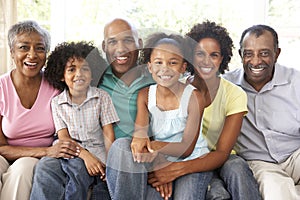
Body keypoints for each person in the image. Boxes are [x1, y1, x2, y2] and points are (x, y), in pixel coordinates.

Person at [146, 21, 261, 200]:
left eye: (214, 55)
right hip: (182, 156)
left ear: (222, 58)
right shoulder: (173, 86)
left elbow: (222, 153)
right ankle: (214, 187)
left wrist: (175, 170)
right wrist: (164, 164)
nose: (206, 61)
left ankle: (214, 185)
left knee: (237, 166)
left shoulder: (234, 94)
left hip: (220, 159)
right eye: (200, 54)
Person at [106, 32, 213, 200]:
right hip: (160, 155)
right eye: (158, 62)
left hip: (190, 160)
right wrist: (141, 141)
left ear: (183, 67)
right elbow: (140, 132)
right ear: (149, 67)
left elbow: (187, 148)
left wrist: (154, 147)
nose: (165, 68)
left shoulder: (194, 97)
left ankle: (214, 188)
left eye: (173, 62)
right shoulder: (145, 95)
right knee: (121, 145)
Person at [0, 20, 80, 200]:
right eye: (23, 47)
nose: (32, 55)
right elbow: (0, 147)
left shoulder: (57, 86)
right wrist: (45, 151)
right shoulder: (1, 88)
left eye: (40, 48)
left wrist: (48, 153)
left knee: (23, 169)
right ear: (12, 52)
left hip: (39, 159)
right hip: (10, 154)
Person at [30, 41, 119, 200]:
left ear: (93, 73)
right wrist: (84, 155)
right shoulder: (57, 103)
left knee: (102, 186)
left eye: (85, 69)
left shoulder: (102, 97)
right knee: (47, 166)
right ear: (62, 76)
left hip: (97, 151)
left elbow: (108, 134)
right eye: (72, 69)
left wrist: (111, 164)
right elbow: (63, 138)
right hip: (70, 151)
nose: (79, 74)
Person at [223, 24, 300, 200]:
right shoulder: (226, 86)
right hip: (260, 163)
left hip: (295, 155)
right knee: (276, 192)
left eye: (264, 53)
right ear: (241, 55)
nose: (256, 61)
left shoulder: (296, 81)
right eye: (249, 54)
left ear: (277, 53)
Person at [99, 18, 154, 139]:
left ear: (139, 44)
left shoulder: (156, 79)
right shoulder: (95, 81)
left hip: (147, 153)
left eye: (128, 40)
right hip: (107, 154)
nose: (121, 49)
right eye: (112, 42)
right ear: (104, 46)